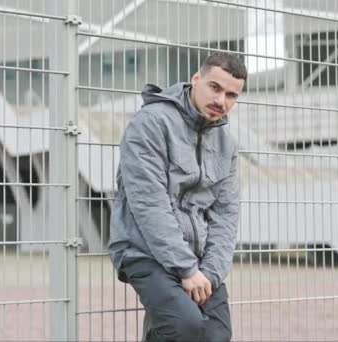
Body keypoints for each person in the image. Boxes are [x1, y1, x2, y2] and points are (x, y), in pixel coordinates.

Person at [108, 52, 246, 342]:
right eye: (215, 88)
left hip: (198, 258)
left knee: (217, 335)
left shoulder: (226, 143)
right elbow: (149, 205)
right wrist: (185, 268)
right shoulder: (150, 124)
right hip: (142, 249)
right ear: (196, 79)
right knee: (185, 327)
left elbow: (226, 214)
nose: (221, 101)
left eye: (231, 95)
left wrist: (210, 272)